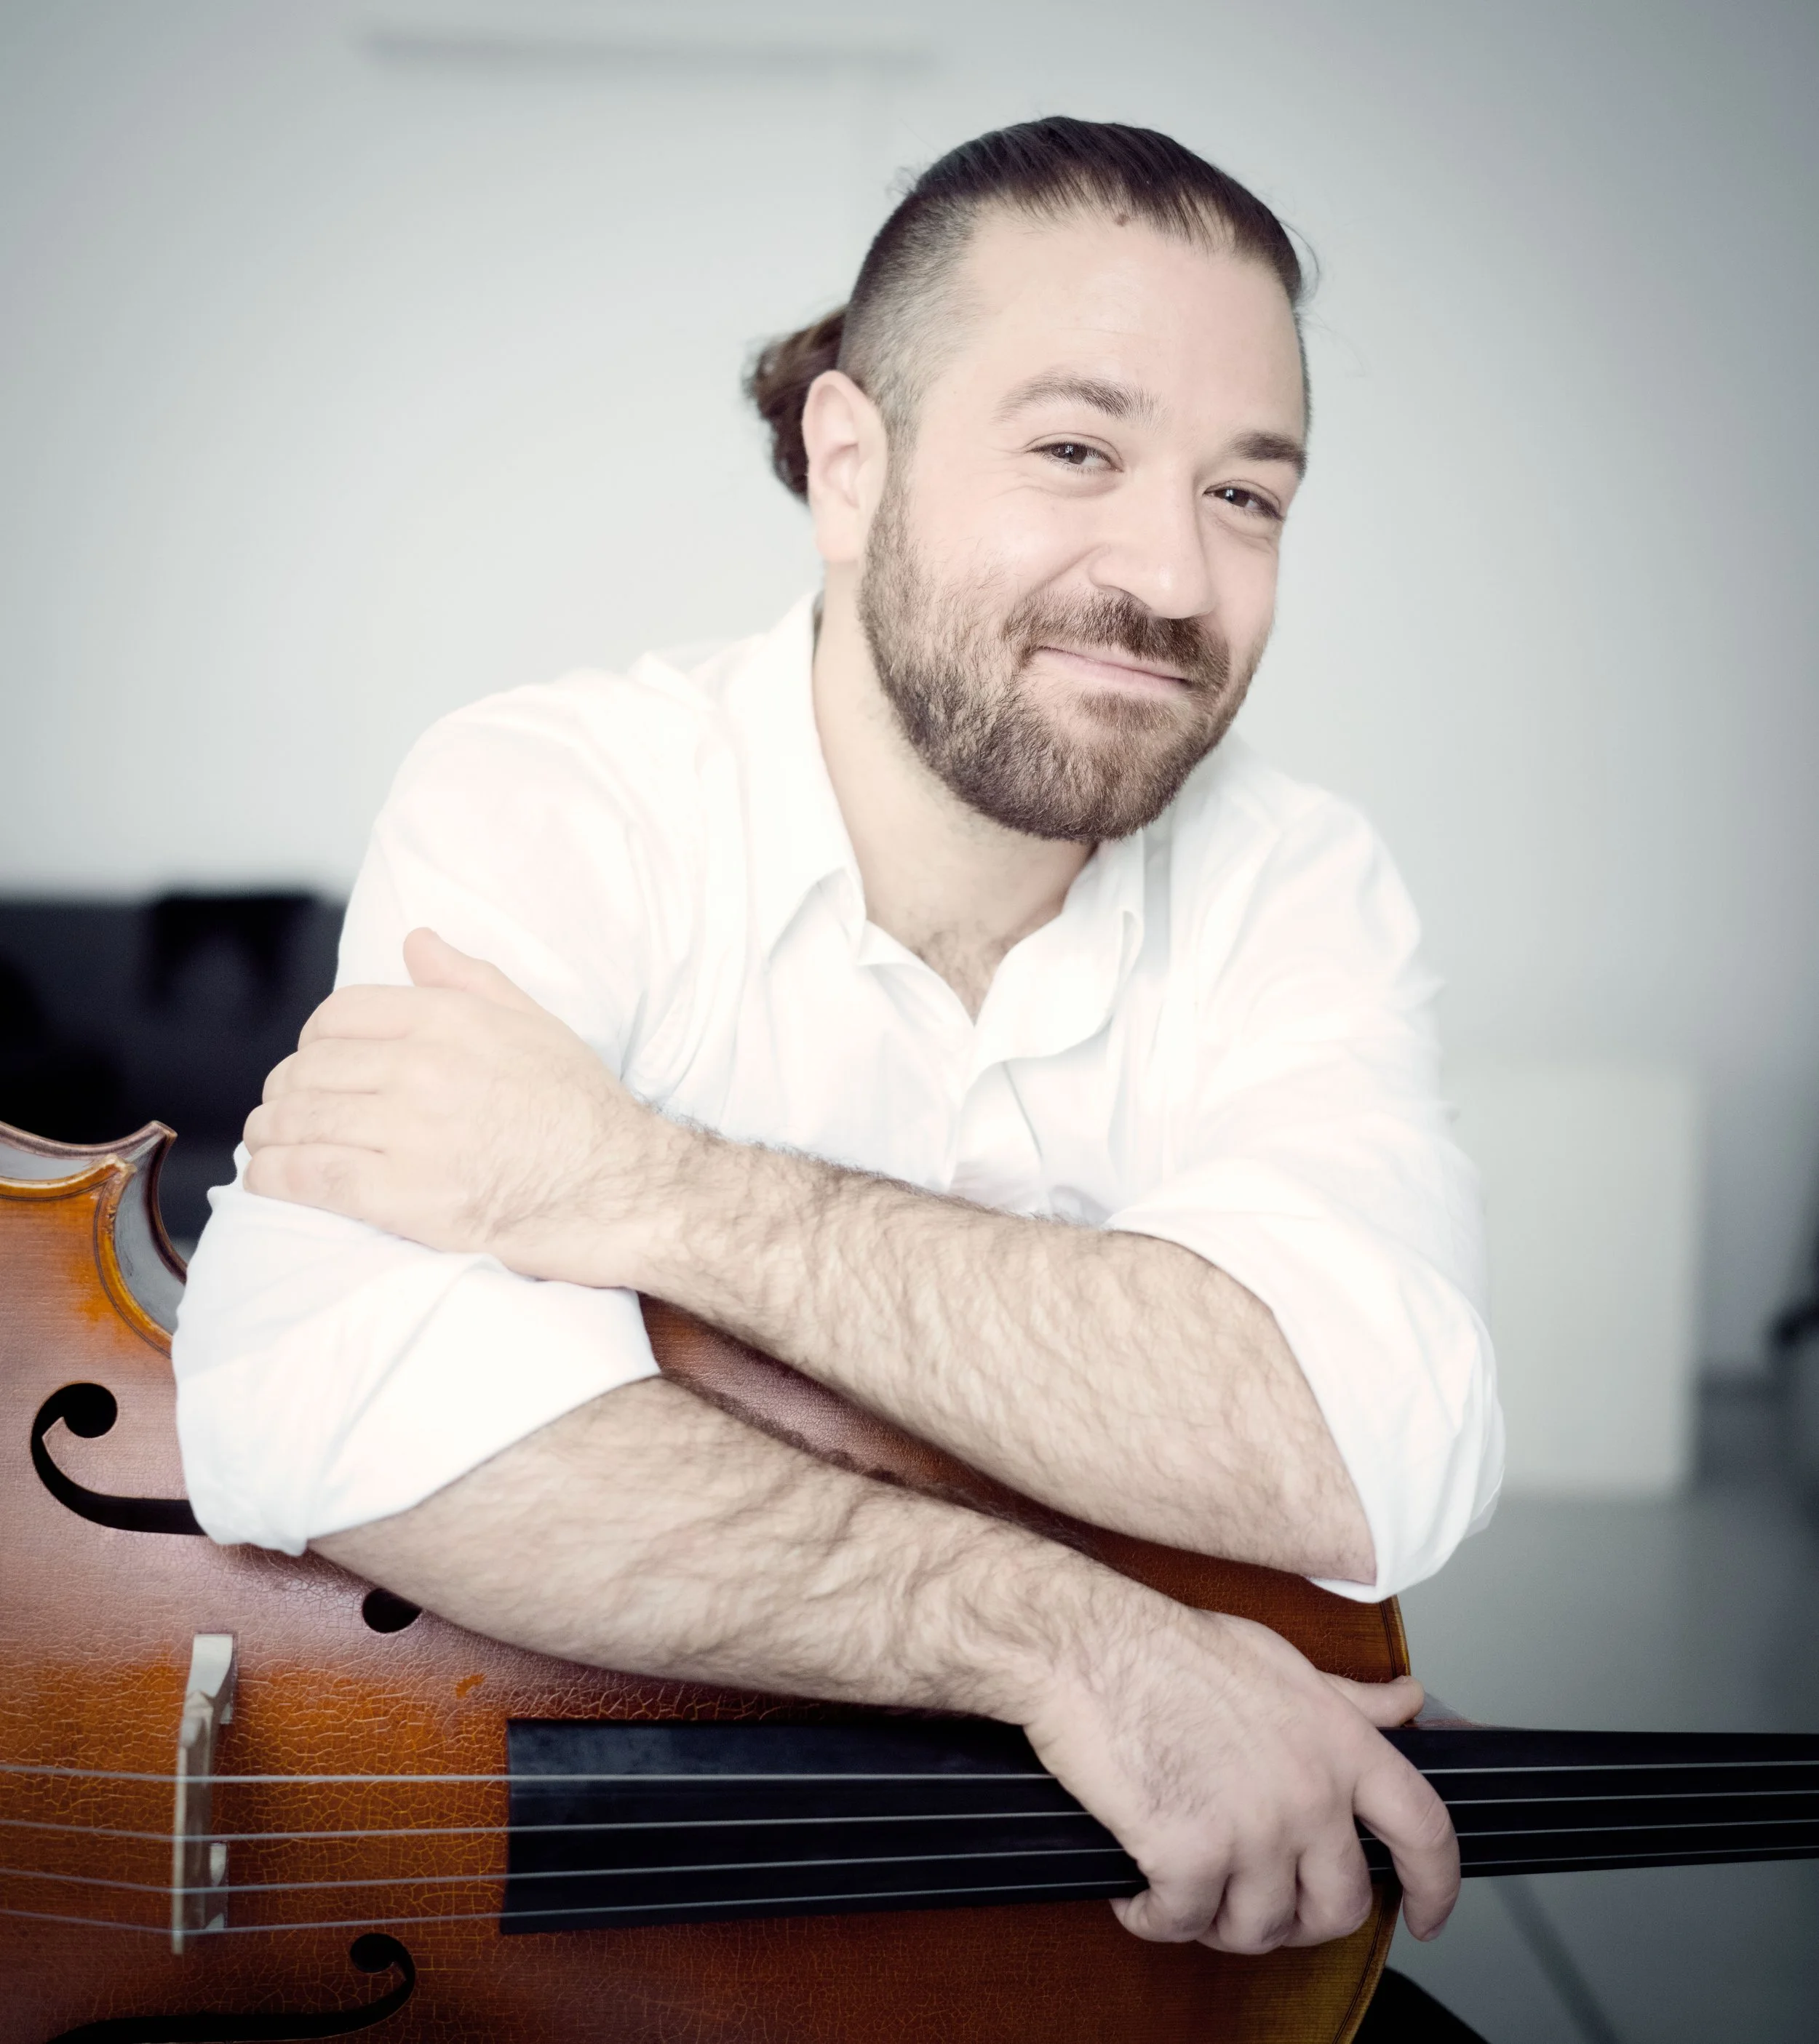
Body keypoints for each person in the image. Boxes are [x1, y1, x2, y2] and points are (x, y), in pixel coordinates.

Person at [172, 117, 1501, 2030]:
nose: (1173, 576)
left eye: (1246, 494)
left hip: (1058, 1945)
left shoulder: (1301, 880)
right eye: (1077, 451)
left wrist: (636, 1186)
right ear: (852, 466)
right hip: (557, 1947)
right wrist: (1069, 1637)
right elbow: (336, 1393)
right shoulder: (555, 795)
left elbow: (1360, 1451)